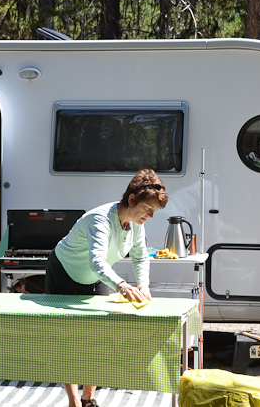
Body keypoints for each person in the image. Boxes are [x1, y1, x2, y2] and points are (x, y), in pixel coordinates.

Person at [45, 168, 169, 407]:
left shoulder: (136, 222)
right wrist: (121, 284)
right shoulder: (100, 219)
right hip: (65, 271)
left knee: (100, 336)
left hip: (97, 276)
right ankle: (73, 401)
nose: (151, 216)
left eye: (154, 211)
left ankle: (88, 398)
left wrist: (143, 286)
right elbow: (97, 261)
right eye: (148, 208)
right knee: (68, 339)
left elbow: (140, 257)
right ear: (131, 199)